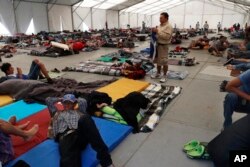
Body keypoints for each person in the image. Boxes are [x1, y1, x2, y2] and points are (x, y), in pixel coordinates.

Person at [46, 94, 114, 167]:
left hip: (81, 134)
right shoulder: (56, 113)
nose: (67, 104)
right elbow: (48, 100)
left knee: (86, 118)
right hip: (66, 137)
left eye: (70, 103)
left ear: (74, 103)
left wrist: (74, 99)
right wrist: (61, 99)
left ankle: (106, 162)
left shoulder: (79, 111)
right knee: (69, 160)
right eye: (65, 102)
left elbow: (83, 101)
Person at [151, 12, 173, 83]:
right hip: (158, 45)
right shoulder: (160, 26)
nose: (159, 19)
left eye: (161, 18)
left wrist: (157, 31)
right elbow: (158, 35)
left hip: (164, 46)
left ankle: (165, 75)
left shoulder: (168, 26)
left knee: (164, 61)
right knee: (158, 61)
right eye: (159, 18)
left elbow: (167, 37)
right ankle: (158, 73)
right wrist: (155, 32)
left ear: (166, 18)